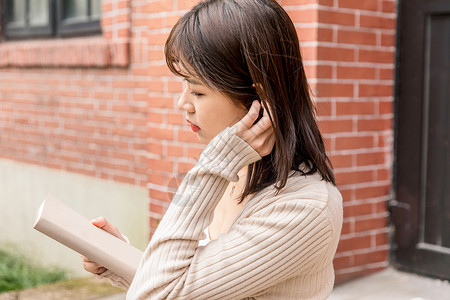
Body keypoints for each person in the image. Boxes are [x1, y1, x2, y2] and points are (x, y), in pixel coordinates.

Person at [82, 0, 343, 299]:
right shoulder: (235, 171)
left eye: (197, 91)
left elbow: (157, 295)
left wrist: (215, 165)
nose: (183, 104)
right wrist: (119, 259)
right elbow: (195, 284)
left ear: (257, 99)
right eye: (183, 86)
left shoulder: (305, 209)